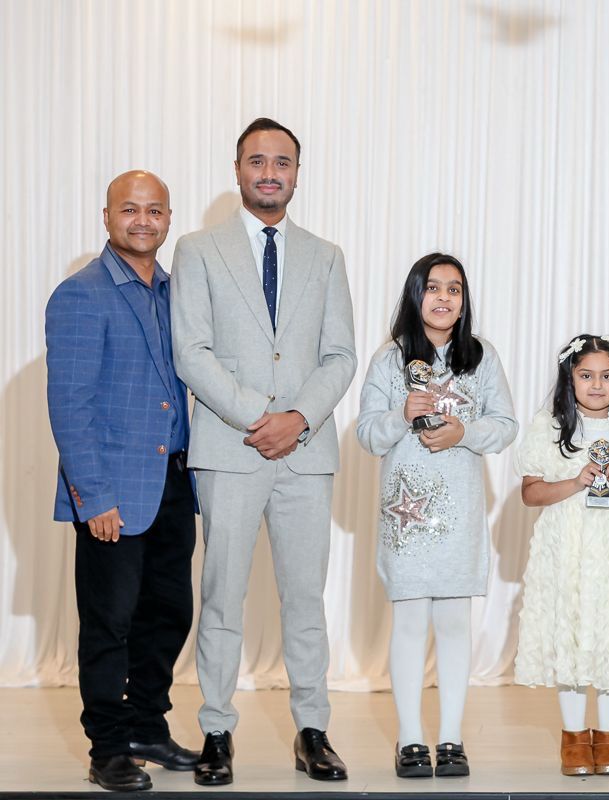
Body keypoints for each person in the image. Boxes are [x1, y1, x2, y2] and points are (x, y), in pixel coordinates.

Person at [171, 118, 357, 785]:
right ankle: (216, 732)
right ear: (238, 168)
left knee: (305, 598)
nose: (270, 172)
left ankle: (313, 730)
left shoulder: (326, 255)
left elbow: (340, 356)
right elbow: (191, 352)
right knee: (220, 595)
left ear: (298, 173)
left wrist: (299, 418)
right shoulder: (197, 249)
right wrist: (263, 418)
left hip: (305, 455)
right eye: (258, 160)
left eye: (282, 162)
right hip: (230, 447)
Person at [46, 171, 198, 791]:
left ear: (168, 219)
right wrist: (94, 497)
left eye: (154, 210)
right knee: (109, 621)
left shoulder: (175, 291)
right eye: (130, 209)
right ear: (106, 217)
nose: (143, 220)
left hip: (172, 482)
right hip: (112, 491)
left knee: (170, 612)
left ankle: (146, 726)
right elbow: (70, 404)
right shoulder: (80, 294)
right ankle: (108, 747)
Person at [356, 252, 517, 779]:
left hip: (462, 514)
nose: (444, 298)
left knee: (452, 622)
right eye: (434, 288)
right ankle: (409, 739)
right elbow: (365, 434)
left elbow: (505, 424)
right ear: (414, 295)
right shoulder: (389, 359)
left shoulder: (482, 358)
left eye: (455, 289)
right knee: (408, 623)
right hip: (408, 517)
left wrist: (463, 432)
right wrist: (401, 416)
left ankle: (450, 738)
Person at [514, 334, 609, 776]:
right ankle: (574, 737)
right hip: (566, 544)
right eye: (586, 375)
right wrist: (577, 481)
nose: (597, 385)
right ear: (570, 378)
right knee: (572, 634)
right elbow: (531, 493)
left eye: (607, 376)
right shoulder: (549, 426)